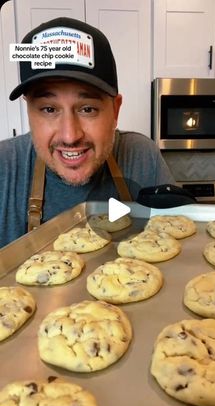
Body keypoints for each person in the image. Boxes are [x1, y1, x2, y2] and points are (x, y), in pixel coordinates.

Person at [0, 16, 175, 249]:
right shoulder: (5, 168)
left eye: (87, 109)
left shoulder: (142, 156)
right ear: (29, 111)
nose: (70, 136)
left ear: (115, 110)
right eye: (49, 109)